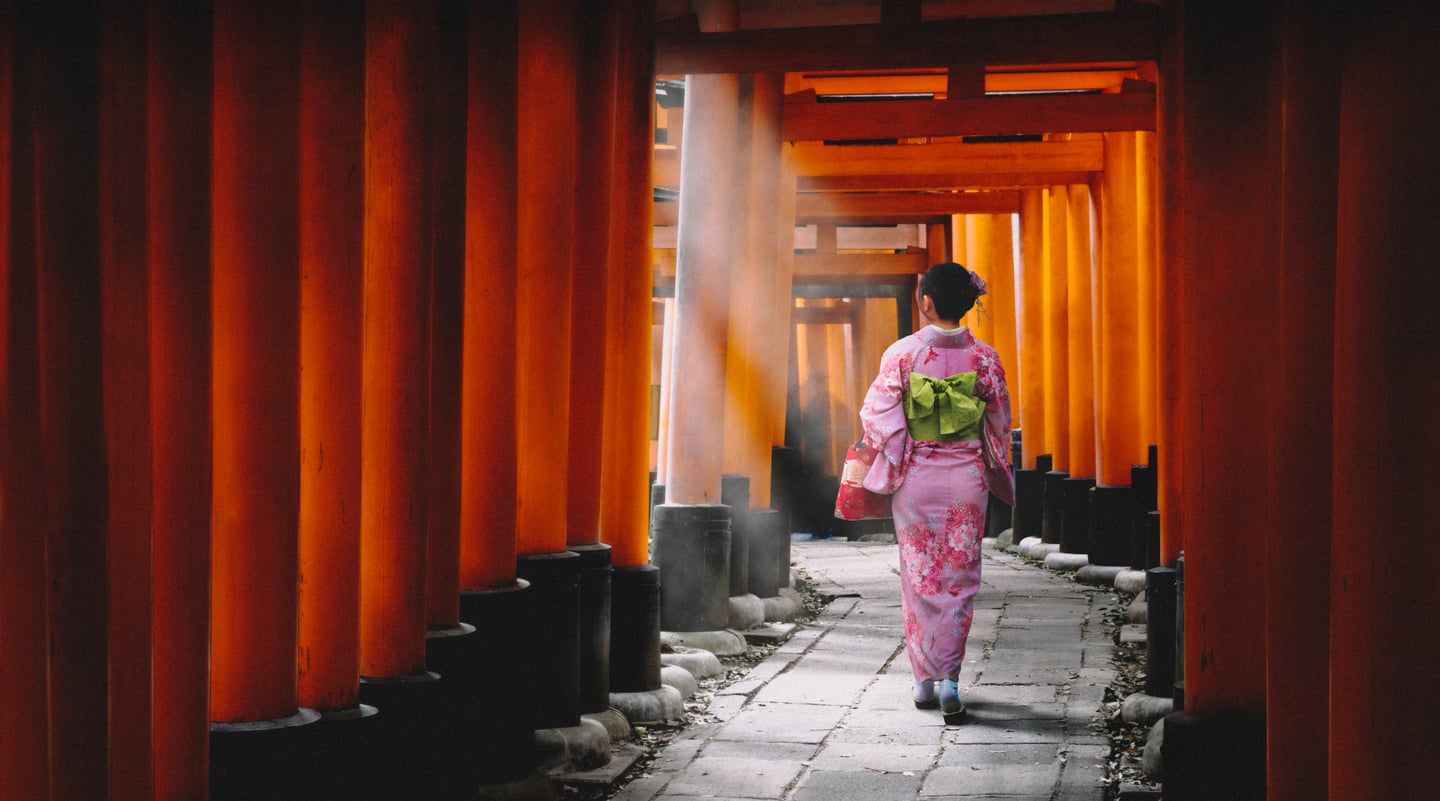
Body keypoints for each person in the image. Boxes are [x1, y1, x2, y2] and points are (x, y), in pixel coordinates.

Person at [857, 261, 1015, 724]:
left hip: (917, 479)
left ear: (926, 302)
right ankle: (951, 681)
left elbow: (878, 415)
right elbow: (998, 423)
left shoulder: (902, 355)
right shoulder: (985, 359)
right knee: (960, 577)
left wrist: (909, 448)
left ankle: (923, 680)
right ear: (966, 303)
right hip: (966, 480)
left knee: (920, 575)